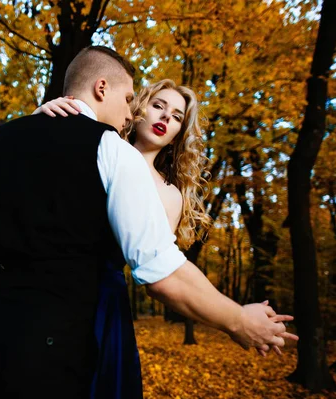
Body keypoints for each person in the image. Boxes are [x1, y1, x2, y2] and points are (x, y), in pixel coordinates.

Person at [0, 46, 297, 399]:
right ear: (101, 88)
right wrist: (237, 320)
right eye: (131, 99)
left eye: (175, 116)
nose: (130, 111)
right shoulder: (113, 150)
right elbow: (161, 271)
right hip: (50, 341)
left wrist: (8, 277)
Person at [34, 79, 213, 399]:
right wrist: (42, 118)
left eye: (176, 117)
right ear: (139, 107)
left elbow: (160, 266)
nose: (164, 118)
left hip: (101, 300)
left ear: (178, 134)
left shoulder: (171, 195)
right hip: (44, 287)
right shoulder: (95, 145)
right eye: (159, 106)